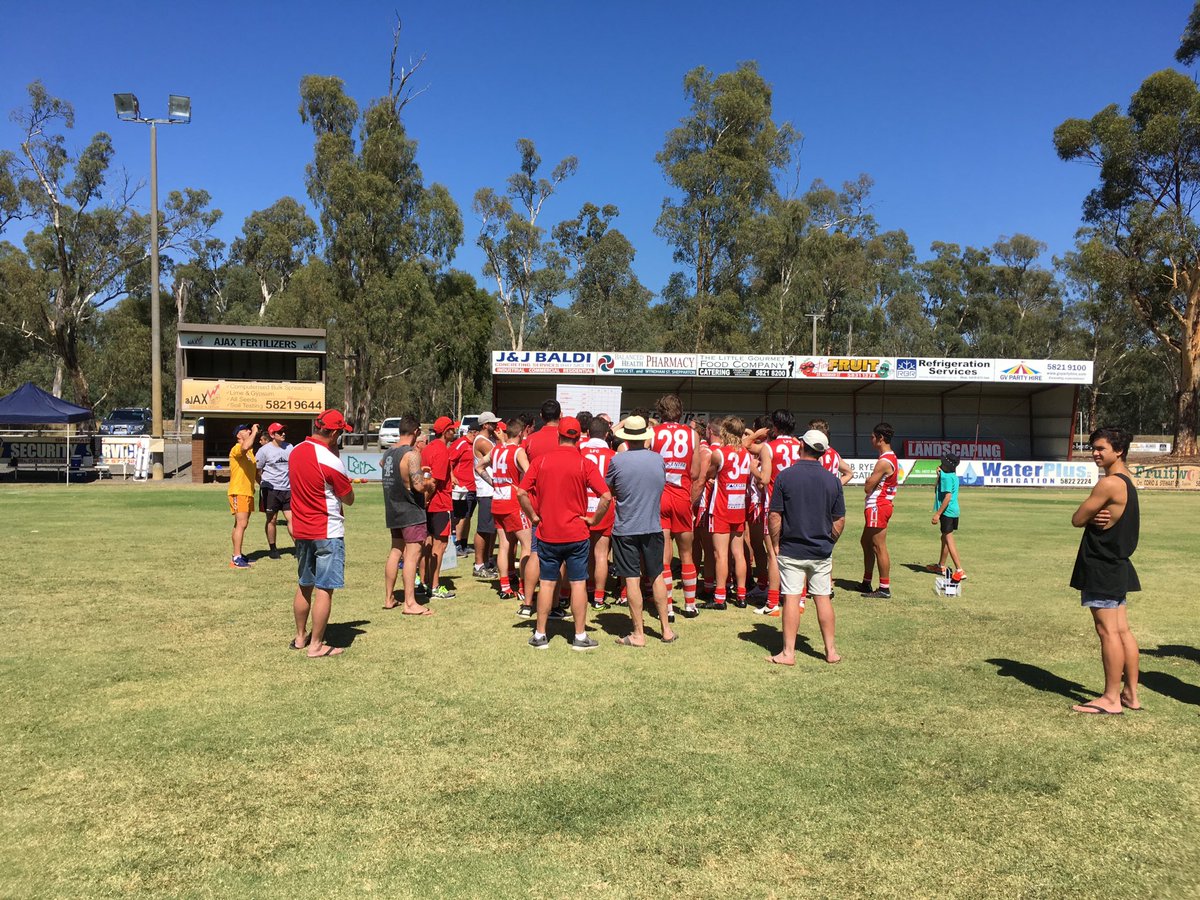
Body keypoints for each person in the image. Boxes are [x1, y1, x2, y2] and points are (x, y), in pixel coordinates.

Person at [517, 416, 612, 650]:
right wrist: (594, 519)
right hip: (576, 533)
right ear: (579, 437)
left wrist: (534, 517)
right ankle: (579, 636)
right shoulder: (583, 463)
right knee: (578, 583)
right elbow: (606, 496)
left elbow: (521, 493)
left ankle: (540, 634)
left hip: (548, 532)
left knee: (547, 583)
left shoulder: (541, 461)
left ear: (558, 436)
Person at [1068, 426, 1142, 715]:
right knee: (1122, 630)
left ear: (1118, 451)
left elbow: (1077, 518)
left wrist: (1088, 517)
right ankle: (1130, 694)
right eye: (1093, 448)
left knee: (1107, 631)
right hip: (1117, 564)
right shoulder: (1127, 481)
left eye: (1101, 448)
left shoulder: (1109, 484)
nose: (1094, 453)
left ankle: (1111, 698)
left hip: (1101, 565)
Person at [767, 429, 845, 665]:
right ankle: (830, 651)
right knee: (823, 598)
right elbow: (839, 519)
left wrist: (775, 543)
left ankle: (788, 653)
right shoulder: (833, 480)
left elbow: (774, 516)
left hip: (792, 548)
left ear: (801, 445)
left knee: (791, 597)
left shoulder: (785, 476)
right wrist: (829, 541)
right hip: (821, 550)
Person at [288, 409, 355, 658]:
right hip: (327, 530)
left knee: (304, 584)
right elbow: (348, 498)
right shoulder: (331, 461)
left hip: (303, 529)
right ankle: (316, 645)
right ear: (335, 432)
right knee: (325, 589)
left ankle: (300, 637)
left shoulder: (295, 451)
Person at [609, 415, 677, 645]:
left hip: (626, 527)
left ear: (626, 438)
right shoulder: (657, 460)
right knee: (656, 575)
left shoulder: (617, 461)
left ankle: (639, 633)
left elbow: (609, 489)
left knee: (631, 579)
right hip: (652, 525)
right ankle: (665, 629)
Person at [651, 394, 702, 620]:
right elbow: (694, 472)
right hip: (682, 496)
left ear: (660, 411)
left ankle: (669, 608)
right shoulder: (692, 434)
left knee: (664, 556)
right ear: (680, 411)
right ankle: (690, 606)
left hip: (660, 495)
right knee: (687, 553)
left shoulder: (653, 433)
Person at [477, 417, 533, 612]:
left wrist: (494, 483)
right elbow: (530, 473)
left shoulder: (496, 449)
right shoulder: (518, 451)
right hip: (513, 503)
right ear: (521, 434)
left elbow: (479, 467)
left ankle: (505, 586)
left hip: (497, 500)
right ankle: (524, 588)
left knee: (504, 546)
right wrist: (521, 488)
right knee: (527, 545)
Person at [381, 415, 435, 615]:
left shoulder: (389, 453)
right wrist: (429, 481)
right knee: (412, 555)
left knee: (396, 552)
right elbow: (420, 486)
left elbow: (382, 465)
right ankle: (410, 603)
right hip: (411, 511)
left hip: (393, 509)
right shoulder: (412, 455)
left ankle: (389, 598)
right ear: (416, 432)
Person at [701, 416, 753, 609]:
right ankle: (741, 595)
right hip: (738, 507)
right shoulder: (747, 454)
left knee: (720, 555)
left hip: (721, 508)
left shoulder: (719, 453)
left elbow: (709, 474)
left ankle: (720, 597)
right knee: (738, 553)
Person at [581, 418, 617, 610]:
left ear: (587, 434)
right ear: (606, 435)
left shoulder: (579, 452)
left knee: (583, 553)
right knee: (602, 554)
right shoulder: (613, 455)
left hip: (582, 505)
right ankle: (599, 598)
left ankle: (584, 589)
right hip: (605, 505)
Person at [421, 416, 457, 601]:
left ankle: (423, 582)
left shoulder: (427, 448)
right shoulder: (442, 450)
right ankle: (434, 586)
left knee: (427, 544)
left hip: (428, 504)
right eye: (452, 429)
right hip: (439, 503)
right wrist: (427, 500)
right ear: (445, 431)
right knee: (439, 545)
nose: (455, 432)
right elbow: (434, 482)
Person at [860, 422, 898, 599]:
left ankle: (884, 587)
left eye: (873, 437)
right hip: (879, 505)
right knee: (866, 542)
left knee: (878, 546)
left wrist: (869, 480)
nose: (871, 439)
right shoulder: (891, 457)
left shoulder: (884, 461)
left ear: (880, 438)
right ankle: (867, 581)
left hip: (878, 505)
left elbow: (868, 487)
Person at [471, 413, 503, 578]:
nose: (496, 426)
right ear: (485, 425)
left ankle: (488, 560)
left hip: (492, 490)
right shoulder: (482, 442)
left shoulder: (488, 440)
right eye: (492, 424)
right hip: (486, 491)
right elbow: (500, 456)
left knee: (491, 529)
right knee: (484, 529)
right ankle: (479, 565)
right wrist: (503, 440)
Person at [255, 423, 293, 559]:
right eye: (279, 432)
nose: (283, 434)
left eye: (284, 431)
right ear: (272, 435)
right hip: (270, 491)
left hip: (288, 490)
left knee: (292, 519)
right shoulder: (264, 450)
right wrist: (263, 485)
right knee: (272, 519)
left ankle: (299, 548)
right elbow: (256, 470)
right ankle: (273, 549)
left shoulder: (290, 447)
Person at [930, 452, 967, 583]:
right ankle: (941, 566)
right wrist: (938, 476)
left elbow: (947, 497)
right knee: (944, 537)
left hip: (947, 512)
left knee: (948, 538)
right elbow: (936, 488)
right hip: (954, 511)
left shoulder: (946, 478)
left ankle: (959, 569)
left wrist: (938, 514)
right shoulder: (951, 476)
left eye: (942, 463)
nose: (940, 464)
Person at [228, 423, 259, 568]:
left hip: (248, 492)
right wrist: (254, 433)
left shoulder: (250, 453)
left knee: (240, 524)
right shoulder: (237, 448)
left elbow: (255, 472)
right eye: (246, 429)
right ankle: (236, 557)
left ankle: (238, 553)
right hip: (238, 491)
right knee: (242, 523)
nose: (249, 430)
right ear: (238, 435)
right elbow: (244, 446)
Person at [449, 423, 478, 558]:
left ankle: (465, 544)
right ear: (473, 432)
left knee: (468, 517)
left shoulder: (476, 445)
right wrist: (452, 476)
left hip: (474, 486)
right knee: (461, 516)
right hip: (462, 487)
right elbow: (449, 460)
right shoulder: (461, 444)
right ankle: (457, 544)